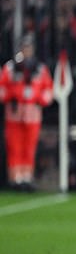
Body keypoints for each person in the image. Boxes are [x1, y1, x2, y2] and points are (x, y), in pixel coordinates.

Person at [0, 34, 54, 191]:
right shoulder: (10, 68)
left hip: (32, 114)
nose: (26, 51)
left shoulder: (40, 69)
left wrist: (39, 100)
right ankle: (15, 178)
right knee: (14, 145)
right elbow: (2, 88)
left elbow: (48, 90)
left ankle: (27, 176)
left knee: (29, 146)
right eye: (24, 47)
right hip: (14, 114)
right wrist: (12, 96)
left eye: (29, 48)